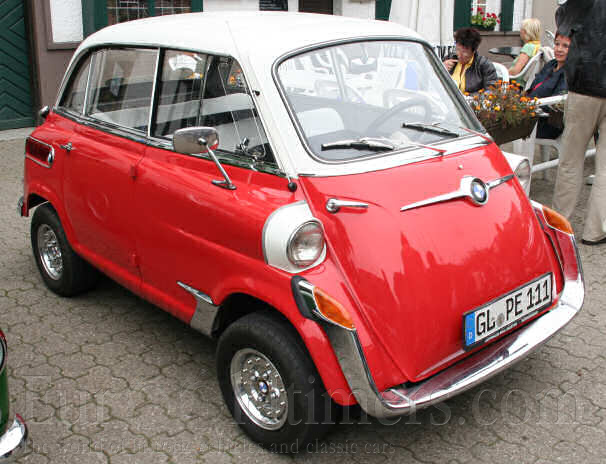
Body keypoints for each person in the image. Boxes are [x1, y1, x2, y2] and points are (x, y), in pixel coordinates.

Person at [553, 0, 606, 245]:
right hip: (590, 82)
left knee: (571, 160)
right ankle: (596, 231)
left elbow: (561, 18)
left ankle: (560, 224)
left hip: (584, 83)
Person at [527, 32, 571, 139]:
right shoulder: (551, 64)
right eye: (557, 44)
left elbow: (557, 102)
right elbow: (534, 87)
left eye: (565, 46)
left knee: (503, 126)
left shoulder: (569, 72)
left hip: (547, 122)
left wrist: (529, 107)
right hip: (531, 112)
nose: (559, 49)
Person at [443, 28, 497, 94]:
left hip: (471, 103)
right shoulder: (449, 59)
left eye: (464, 52)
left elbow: (492, 90)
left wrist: (472, 98)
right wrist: (441, 68)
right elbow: (433, 83)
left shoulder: (484, 65)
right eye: (457, 49)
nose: (459, 55)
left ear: (473, 51)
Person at [508, 18, 542, 87]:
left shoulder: (528, 47)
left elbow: (515, 71)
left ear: (527, 32)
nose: (520, 31)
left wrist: (503, 71)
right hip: (526, 83)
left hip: (516, 84)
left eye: (522, 29)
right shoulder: (538, 45)